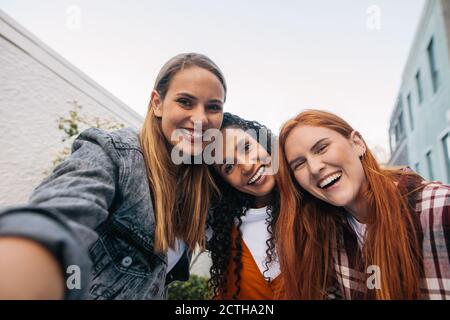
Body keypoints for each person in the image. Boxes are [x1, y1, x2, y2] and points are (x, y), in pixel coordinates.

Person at [0, 53, 227, 299]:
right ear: (157, 103)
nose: (200, 118)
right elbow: (60, 216)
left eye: (213, 107)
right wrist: (31, 255)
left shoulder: (201, 187)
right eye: (185, 101)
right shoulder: (113, 153)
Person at [276, 109, 450, 300]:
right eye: (299, 164)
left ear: (357, 144)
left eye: (322, 148)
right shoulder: (325, 238)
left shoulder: (440, 208)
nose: (315, 168)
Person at [206, 112, 282, 299]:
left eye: (246, 147)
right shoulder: (222, 232)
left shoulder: (315, 206)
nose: (247, 167)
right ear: (226, 183)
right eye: (229, 167)